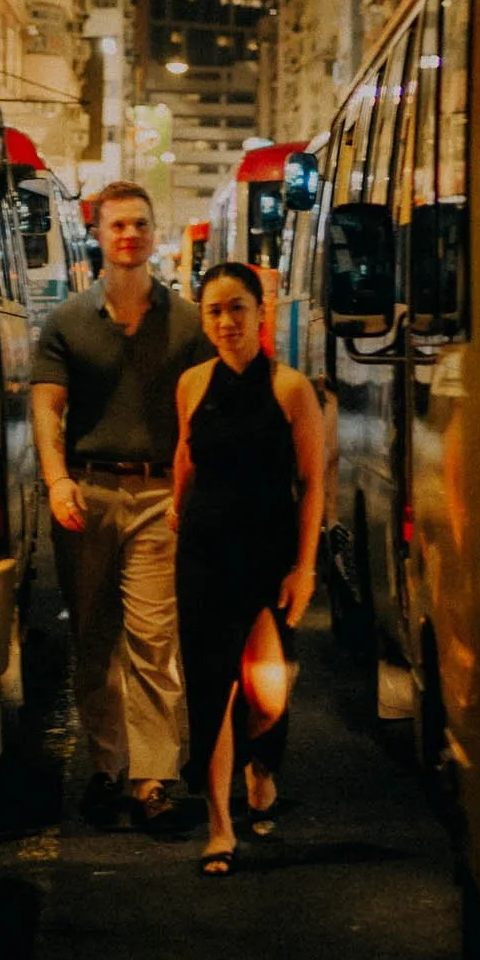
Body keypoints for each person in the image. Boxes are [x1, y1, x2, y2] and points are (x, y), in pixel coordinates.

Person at [31, 182, 214, 828]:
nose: (129, 235)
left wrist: (192, 494)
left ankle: (152, 779)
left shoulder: (188, 322)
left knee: (154, 638)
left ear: (153, 232)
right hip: (87, 491)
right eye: (117, 226)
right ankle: (105, 769)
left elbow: (203, 414)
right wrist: (56, 482)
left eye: (139, 224)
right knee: (93, 638)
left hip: (160, 495)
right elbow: (47, 411)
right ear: (100, 236)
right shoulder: (66, 323)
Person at [170, 262, 325, 874]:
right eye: (214, 311)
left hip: (267, 554)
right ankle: (219, 826)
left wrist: (305, 568)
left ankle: (262, 763)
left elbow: (313, 483)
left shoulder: (290, 388)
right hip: (204, 554)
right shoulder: (191, 384)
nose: (226, 321)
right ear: (203, 320)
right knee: (211, 690)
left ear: (261, 312)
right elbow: (185, 456)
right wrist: (175, 512)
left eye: (237, 307)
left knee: (267, 695)